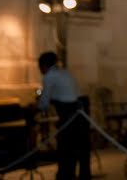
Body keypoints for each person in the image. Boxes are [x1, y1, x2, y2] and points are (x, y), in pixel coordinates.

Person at [37, 52, 90, 180]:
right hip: (81, 112)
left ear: (44, 66)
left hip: (69, 115)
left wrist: (35, 106)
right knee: (81, 150)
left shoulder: (49, 76)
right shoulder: (66, 73)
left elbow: (43, 103)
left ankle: (66, 175)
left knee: (66, 150)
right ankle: (84, 175)